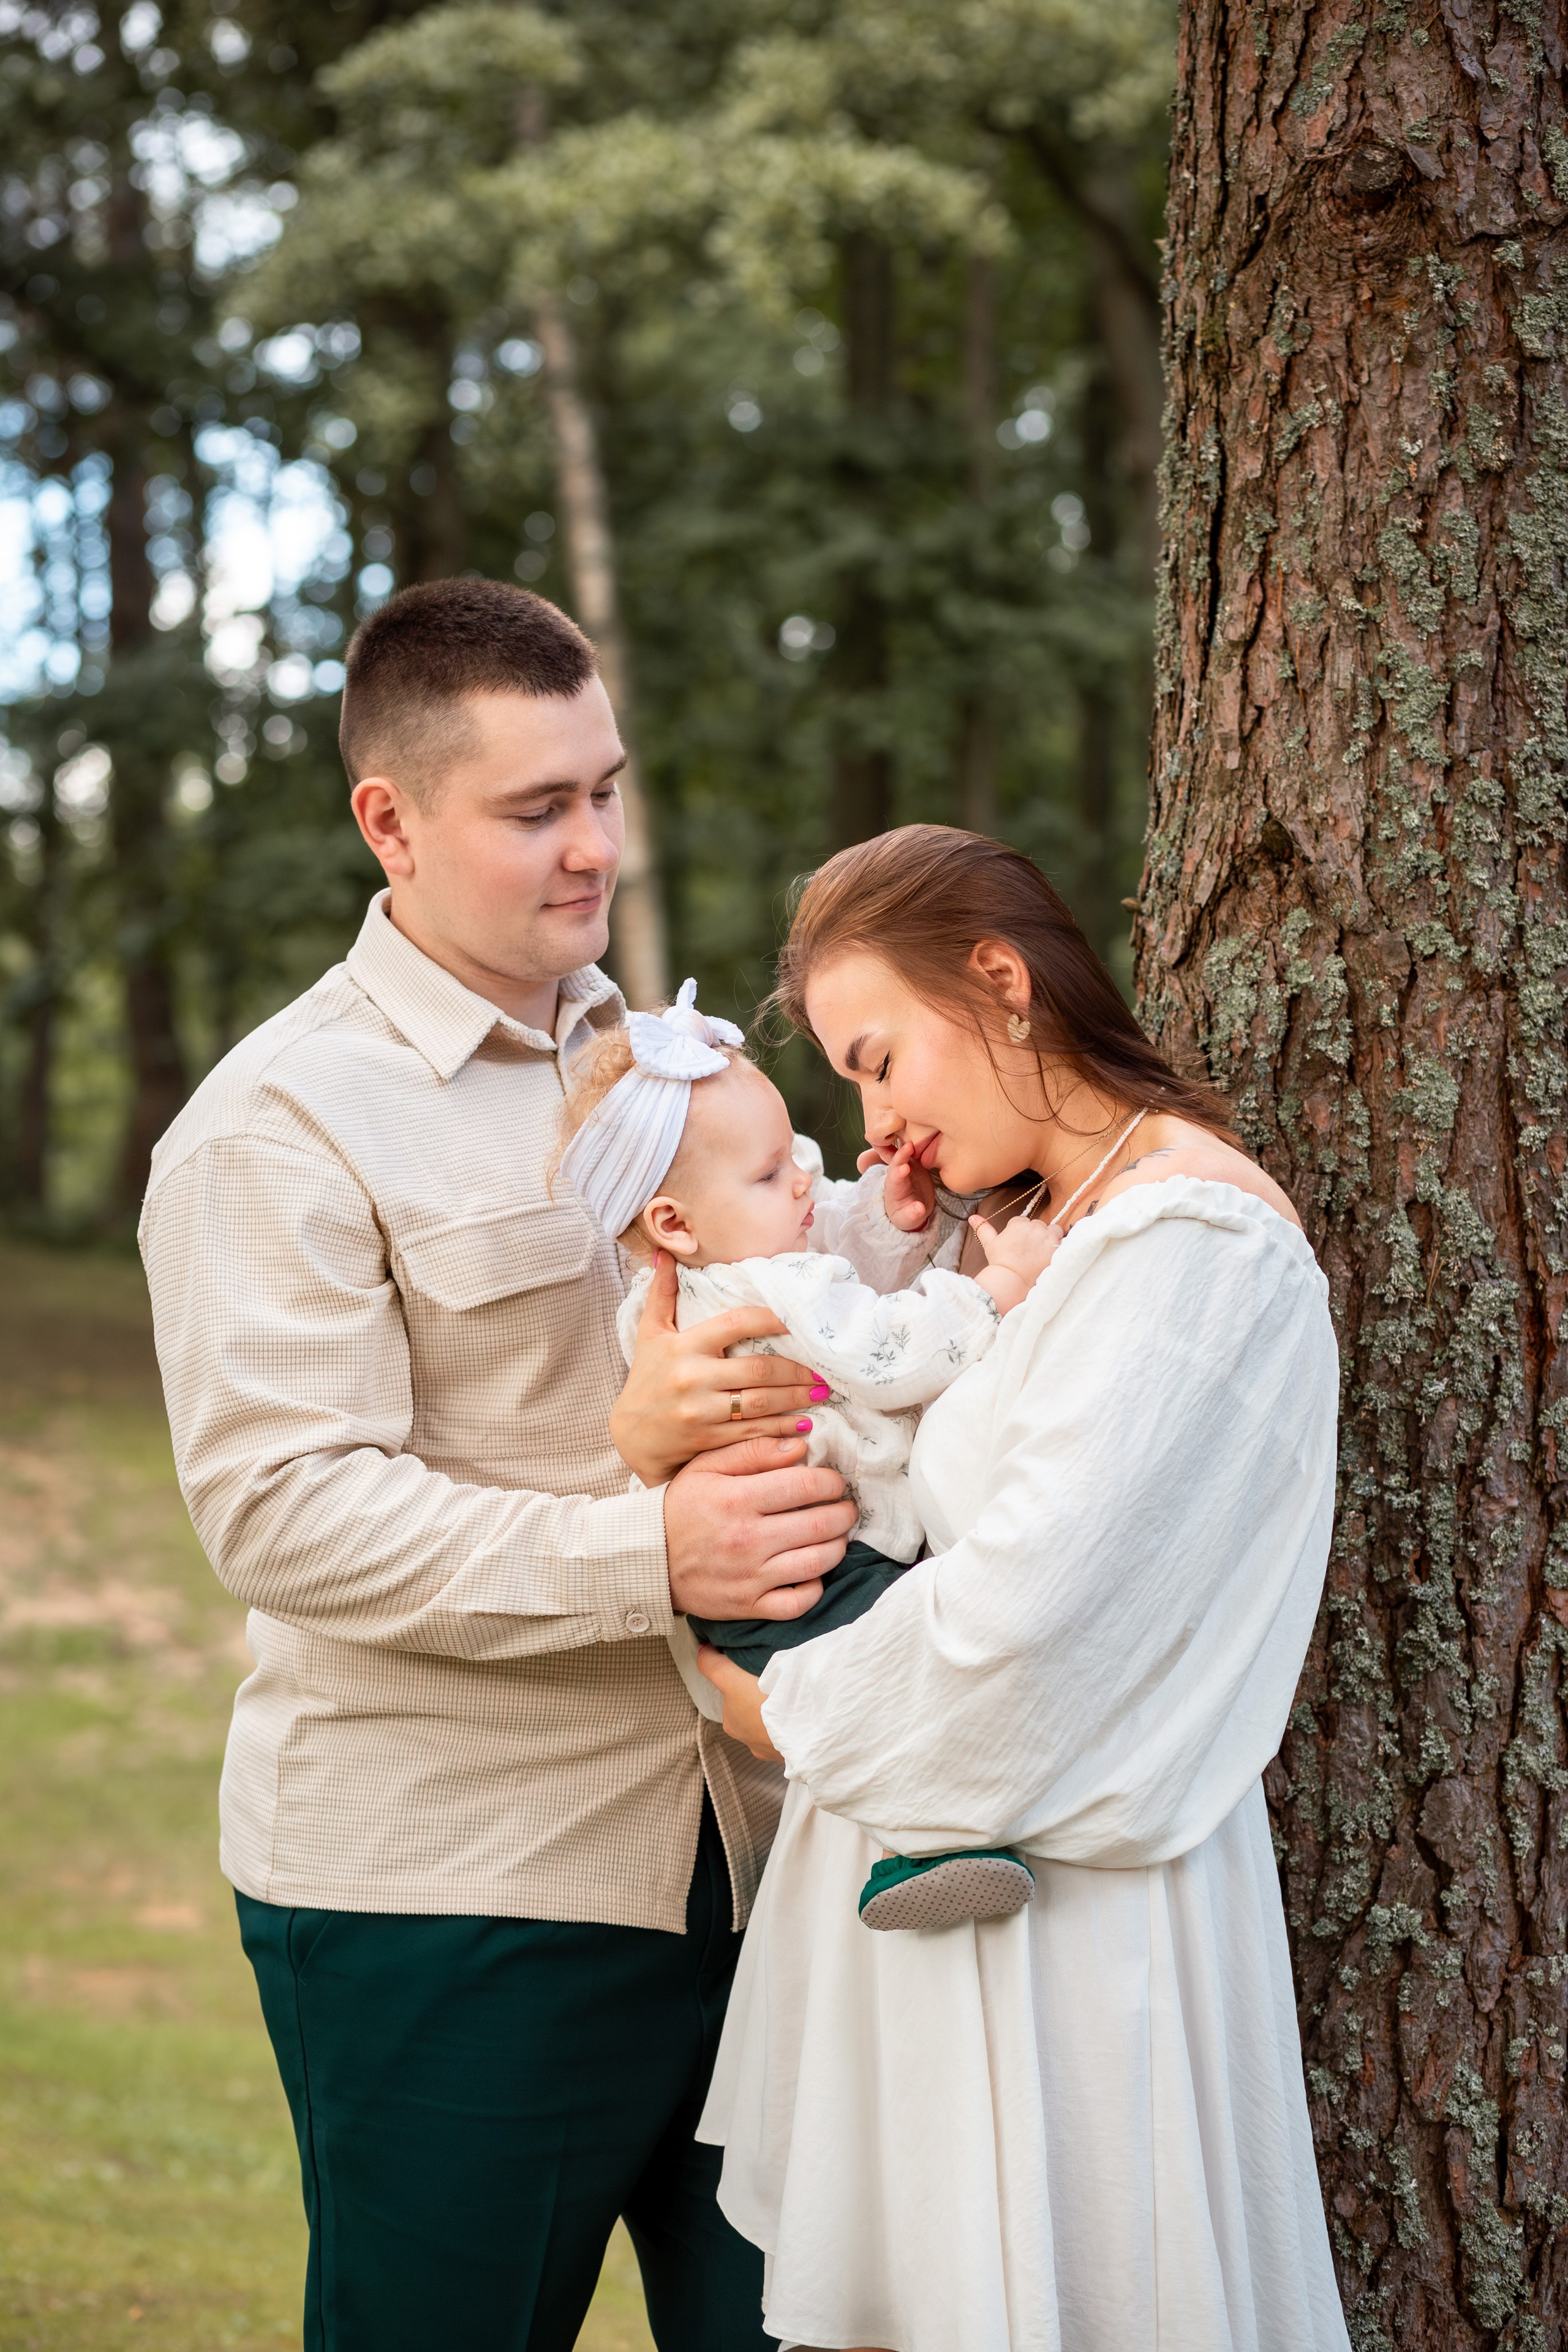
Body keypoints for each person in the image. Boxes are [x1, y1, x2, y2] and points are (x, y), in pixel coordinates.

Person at [137, 577, 925, 2352]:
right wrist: (654, 1555)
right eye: (538, 808)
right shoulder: (278, 1125)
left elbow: (802, 1261)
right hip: (455, 1897)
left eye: (606, 789)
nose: (595, 849)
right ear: (390, 821)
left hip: (761, 1869)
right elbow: (284, 1509)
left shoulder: (667, 1057)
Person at [624, 824, 1353, 2352]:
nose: (874, 1119)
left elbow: (1028, 1636)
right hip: (940, 1895)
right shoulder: (1036, 1223)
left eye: (881, 1061)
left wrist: (771, 1705)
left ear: (1002, 986)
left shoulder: (1192, 1255)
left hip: (1064, 1945)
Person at [555, 979, 1057, 1928]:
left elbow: (825, 1237)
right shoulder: (770, 1291)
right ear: (674, 1221)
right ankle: (929, 1843)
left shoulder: (678, 1293)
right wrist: (998, 1290)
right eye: (772, 1172)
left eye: (800, 1159)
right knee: (910, 1674)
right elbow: (885, 1351)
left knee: (888, 1686)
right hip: (823, 1568)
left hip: (759, 1584)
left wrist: (884, 1212)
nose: (804, 1184)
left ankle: (931, 1833)